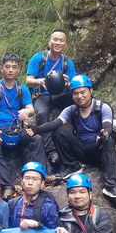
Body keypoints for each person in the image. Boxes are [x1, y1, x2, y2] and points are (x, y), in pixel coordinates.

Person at [27, 74, 116, 200]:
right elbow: (55, 123)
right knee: (58, 131)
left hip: (98, 149)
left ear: (90, 91)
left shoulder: (102, 107)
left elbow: (108, 126)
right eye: (75, 93)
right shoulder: (72, 110)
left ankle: (111, 187)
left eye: (83, 92)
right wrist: (37, 129)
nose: (79, 96)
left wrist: (104, 135)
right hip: (82, 150)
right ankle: (72, 166)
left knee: (109, 141)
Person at [0, 53, 46, 198]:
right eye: (7, 67)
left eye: (14, 67)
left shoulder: (22, 89)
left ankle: (41, 176)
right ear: (1, 68)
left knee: (36, 139)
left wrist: (27, 111)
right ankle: (7, 186)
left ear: (18, 69)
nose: (10, 70)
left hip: (16, 129)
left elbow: (31, 108)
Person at [25, 30, 77, 163]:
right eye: (55, 39)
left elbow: (73, 85)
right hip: (42, 95)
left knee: (78, 102)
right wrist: (40, 81)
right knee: (42, 113)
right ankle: (51, 151)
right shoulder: (38, 58)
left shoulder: (67, 62)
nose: (57, 43)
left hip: (62, 94)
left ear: (65, 44)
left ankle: (80, 136)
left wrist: (68, 83)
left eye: (61, 40)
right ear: (49, 42)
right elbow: (28, 81)